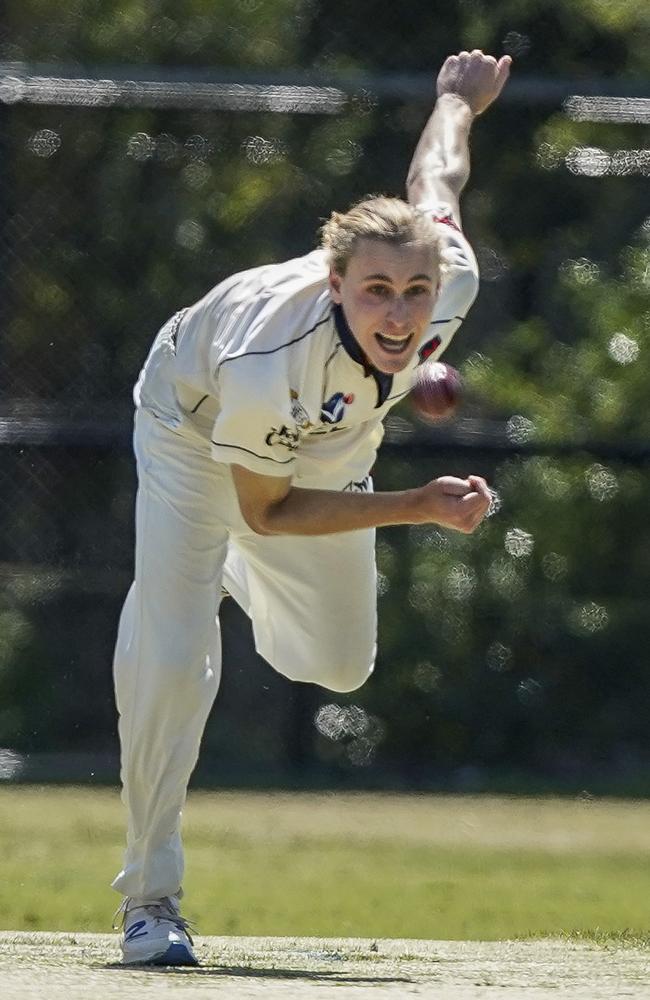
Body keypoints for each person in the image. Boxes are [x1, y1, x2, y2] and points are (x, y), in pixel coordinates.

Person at [112, 49, 512, 966]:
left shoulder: (448, 274)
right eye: (376, 290)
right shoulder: (269, 361)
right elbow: (271, 512)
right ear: (337, 285)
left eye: (413, 291)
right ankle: (151, 900)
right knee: (175, 656)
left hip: (312, 450)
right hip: (193, 421)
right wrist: (415, 504)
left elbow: (436, 174)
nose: (402, 314)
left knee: (338, 665)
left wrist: (456, 97)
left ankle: (224, 570)